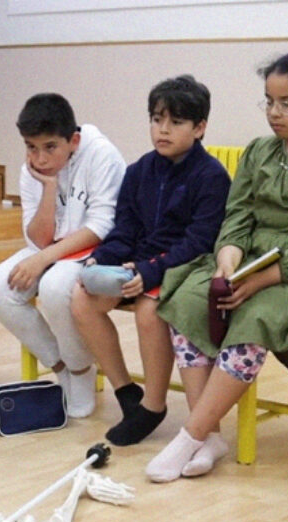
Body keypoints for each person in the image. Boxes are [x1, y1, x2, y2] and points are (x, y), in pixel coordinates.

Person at [147, 51, 288, 482]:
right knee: (190, 296)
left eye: (287, 103)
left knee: (255, 313)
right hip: (256, 265)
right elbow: (237, 216)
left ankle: (189, 437)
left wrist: (260, 280)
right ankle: (209, 432)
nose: (274, 113)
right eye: (269, 101)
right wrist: (228, 260)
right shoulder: (259, 152)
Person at [70, 76, 231, 446]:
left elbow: (199, 241)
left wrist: (150, 270)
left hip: (182, 268)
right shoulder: (138, 171)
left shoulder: (211, 177)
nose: (163, 129)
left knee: (148, 311)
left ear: (200, 128)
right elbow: (124, 229)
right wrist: (100, 259)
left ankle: (153, 405)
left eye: (175, 122)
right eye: (157, 119)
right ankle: (127, 392)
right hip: (137, 268)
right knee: (82, 299)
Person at [0, 93, 127, 417]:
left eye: (50, 147)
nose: (40, 157)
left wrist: (44, 259)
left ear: (73, 140)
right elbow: (38, 237)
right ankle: (62, 366)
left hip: (98, 249)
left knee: (55, 287)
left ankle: (80, 372)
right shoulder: (33, 169)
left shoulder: (102, 155)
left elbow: (102, 225)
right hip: (53, 249)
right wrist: (48, 188)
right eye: (31, 147)